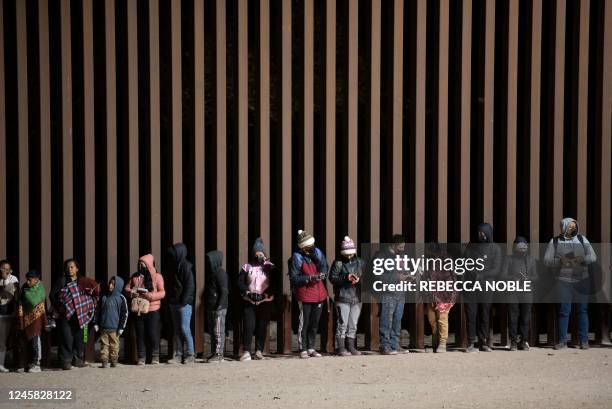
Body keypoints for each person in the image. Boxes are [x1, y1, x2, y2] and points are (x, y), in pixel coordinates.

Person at [544, 217, 596, 350]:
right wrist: (560, 261)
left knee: (582, 311)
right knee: (563, 311)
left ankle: (584, 341)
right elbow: (547, 261)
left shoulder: (582, 239)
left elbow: (593, 257)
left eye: (574, 226)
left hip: (582, 281)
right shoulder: (554, 241)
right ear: (563, 227)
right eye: (570, 227)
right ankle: (562, 341)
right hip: (563, 281)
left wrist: (581, 258)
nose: (573, 229)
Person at [50, 259, 100, 370]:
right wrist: (61, 308)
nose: (70, 269)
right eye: (68, 267)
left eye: (72, 267)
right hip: (66, 315)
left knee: (80, 338)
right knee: (66, 338)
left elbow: (93, 293)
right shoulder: (62, 281)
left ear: (77, 269)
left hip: (81, 315)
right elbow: (52, 295)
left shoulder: (83, 281)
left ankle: (78, 360)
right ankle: (65, 362)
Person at [289, 230, 329, 359]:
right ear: (304, 247)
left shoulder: (318, 252)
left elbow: (324, 266)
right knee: (304, 322)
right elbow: (294, 278)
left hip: (319, 293)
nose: (313, 247)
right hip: (305, 294)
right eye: (309, 246)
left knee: (314, 322)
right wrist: (309, 278)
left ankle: (311, 347)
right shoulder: (297, 257)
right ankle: (303, 348)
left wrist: (322, 274)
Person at [463, 223, 501, 352]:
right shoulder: (471, 246)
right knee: (471, 314)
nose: (481, 235)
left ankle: (483, 342)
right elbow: (465, 263)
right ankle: (470, 342)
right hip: (471, 285)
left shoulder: (495, 248)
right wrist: (473, 273)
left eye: (483, 232)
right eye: (479, 232)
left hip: (486, 286)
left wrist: (483, 275)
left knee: (485, 314)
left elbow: (497, 268)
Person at [238, 238, 276, 361]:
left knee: (262, 325)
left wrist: (266, 295)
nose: (259, 255)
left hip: (264, 300)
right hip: (249, 300)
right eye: (257, 253)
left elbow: (276, 282)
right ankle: (247, 351)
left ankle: (259, 351)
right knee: (249, 325)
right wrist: (247, 292)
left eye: (261, 253)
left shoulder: (269, 267)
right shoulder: (247, 267)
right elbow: (240, 282)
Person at [124, 255, 166, 365]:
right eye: (139, 264)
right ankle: (141, 357)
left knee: (153, 333)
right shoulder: (135, 277)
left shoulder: (157, 277)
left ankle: (155, 356)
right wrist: (132, 292)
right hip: (139, 309)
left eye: (142, 265)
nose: (140, 266)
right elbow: (126, 288)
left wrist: (150, 296)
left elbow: (162, 292)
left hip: (153, 309)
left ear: (148, 265)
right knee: (140, 334)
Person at [329, 236, 364, 356]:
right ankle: (341, 347)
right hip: (342, 297)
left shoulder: (360, 262)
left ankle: (351, 346)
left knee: (353, 323)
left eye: (350, 254)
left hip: (357, 297)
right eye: (346, 254)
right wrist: (345, 277)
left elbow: (368, 278)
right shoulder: (338, 263)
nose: (349, 256)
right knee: (342, 323)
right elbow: (332, 278)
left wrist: (359, 280)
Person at [376, 234, 410, 355]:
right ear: (394, 245)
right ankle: (385, 346)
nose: (403, 249)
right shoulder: (382, 255)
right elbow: (378, 275)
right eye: (401, 247)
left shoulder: (402, 256)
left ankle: (395, 345)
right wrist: (397, 277)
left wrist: (408, 276)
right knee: (386, 320)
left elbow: (404, 270)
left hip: (401, 292)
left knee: (397, 320)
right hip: (388, 292)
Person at [504, 236, 538, 351]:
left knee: (525, 317)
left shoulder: (531, 260)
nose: (522, 249)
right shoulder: (509, 259)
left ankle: (523, 341)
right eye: (519, 246)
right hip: (513, 291)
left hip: (527, 291)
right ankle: (513, 342)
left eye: (524, 246)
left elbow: (536, 276)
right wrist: (513, 279)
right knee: (513, 317)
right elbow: (502, 276)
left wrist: (529, 278)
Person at [423, 243, 457, 353]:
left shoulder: (446, 261)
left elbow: (451, 279)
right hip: (431, 294)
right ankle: (435, 341)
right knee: (432, 319)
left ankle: (442, 343)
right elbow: (426, 277)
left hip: (444, 295)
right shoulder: (428, 261)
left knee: (442, 319)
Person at [166, 243, 195, 364]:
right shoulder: (174, 265)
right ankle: (178, 354)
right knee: (177, 330)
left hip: (184, 303)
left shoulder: (186, 266)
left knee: (184, 328)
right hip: (174, 302)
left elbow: (190, 285)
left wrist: (183, 300)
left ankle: (190, 354)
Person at [93, 276, 128, 368]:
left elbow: (124, 314)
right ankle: (104, 361)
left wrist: (121, 327)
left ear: (118, 286)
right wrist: (96, 323)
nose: (111, 285)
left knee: (114, 345)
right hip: (104, 327)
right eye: (110, 283)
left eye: (113, 284)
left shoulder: (121, 298)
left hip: (115, 328)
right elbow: (97, 311)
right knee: (104, 345)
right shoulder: (103, 297)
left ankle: (114, 361)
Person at [16, 270, 47, 373]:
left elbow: (34, 301)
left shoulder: (40, 288)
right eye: (27, 280)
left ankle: (36, 364)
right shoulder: (25, 287)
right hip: (25, 318)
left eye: (30, 280)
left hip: (37, 318)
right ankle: (25, 364)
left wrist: (26, 293)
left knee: (35, 340)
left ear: (37, 279)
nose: (28, 282)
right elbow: (19, 300)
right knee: (24, 341)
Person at [205, 251, 228, 362]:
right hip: (213, 307)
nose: (208, 262)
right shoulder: (213, 273)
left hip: (219, 308)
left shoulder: (220, 274)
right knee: (213, 331)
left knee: (218, 331)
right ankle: (215, 352)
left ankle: (219, 354)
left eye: (210, 260)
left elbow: (224, 291)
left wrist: (219, 306)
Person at [0, 260, 18, 372]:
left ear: (10, 270)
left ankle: (2, 364)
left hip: (6, 312)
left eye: (7, 269)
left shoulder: (13, 279)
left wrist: (5, 278)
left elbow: (10, 292)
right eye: (2, 268)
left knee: (3, 339)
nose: (4, 271)